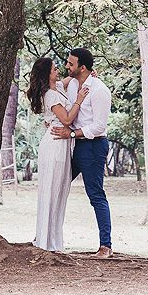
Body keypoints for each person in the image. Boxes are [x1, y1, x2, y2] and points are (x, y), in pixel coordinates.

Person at [50, 47, 114, 258]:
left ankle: (106, 246)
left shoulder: (99, 90)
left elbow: (98, 127)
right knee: (57, 185)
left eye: (70, 64)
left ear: (83, 67)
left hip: (93, 146)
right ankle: (48, 238)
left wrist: (71, 134)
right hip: (75, 145)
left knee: (95, 194)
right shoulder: (73, 85)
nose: (66, 66)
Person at [26, 56, 89, 252]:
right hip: (55, 144)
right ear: (47, 74)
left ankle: (53, 240)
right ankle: (45, 241)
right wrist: (79, 100)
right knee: (51, 192)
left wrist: (87, 75)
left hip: (63, 144)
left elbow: (70, 78)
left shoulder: (58, 88)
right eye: (54, 69)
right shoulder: (50, 95)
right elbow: (67, 119)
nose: (58, 70)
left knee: (60, 192)